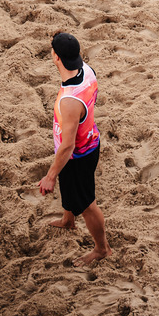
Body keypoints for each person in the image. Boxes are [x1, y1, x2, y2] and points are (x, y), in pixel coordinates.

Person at [38, 31, 112, 266]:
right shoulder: (88, 72)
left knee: (88, 205)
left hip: (78, 155)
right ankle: (68, 220)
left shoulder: (69, 101)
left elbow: (68, 146)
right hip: (91, 140)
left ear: (56, 57)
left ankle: (102, 249)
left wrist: (50, 176)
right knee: (72, 192)